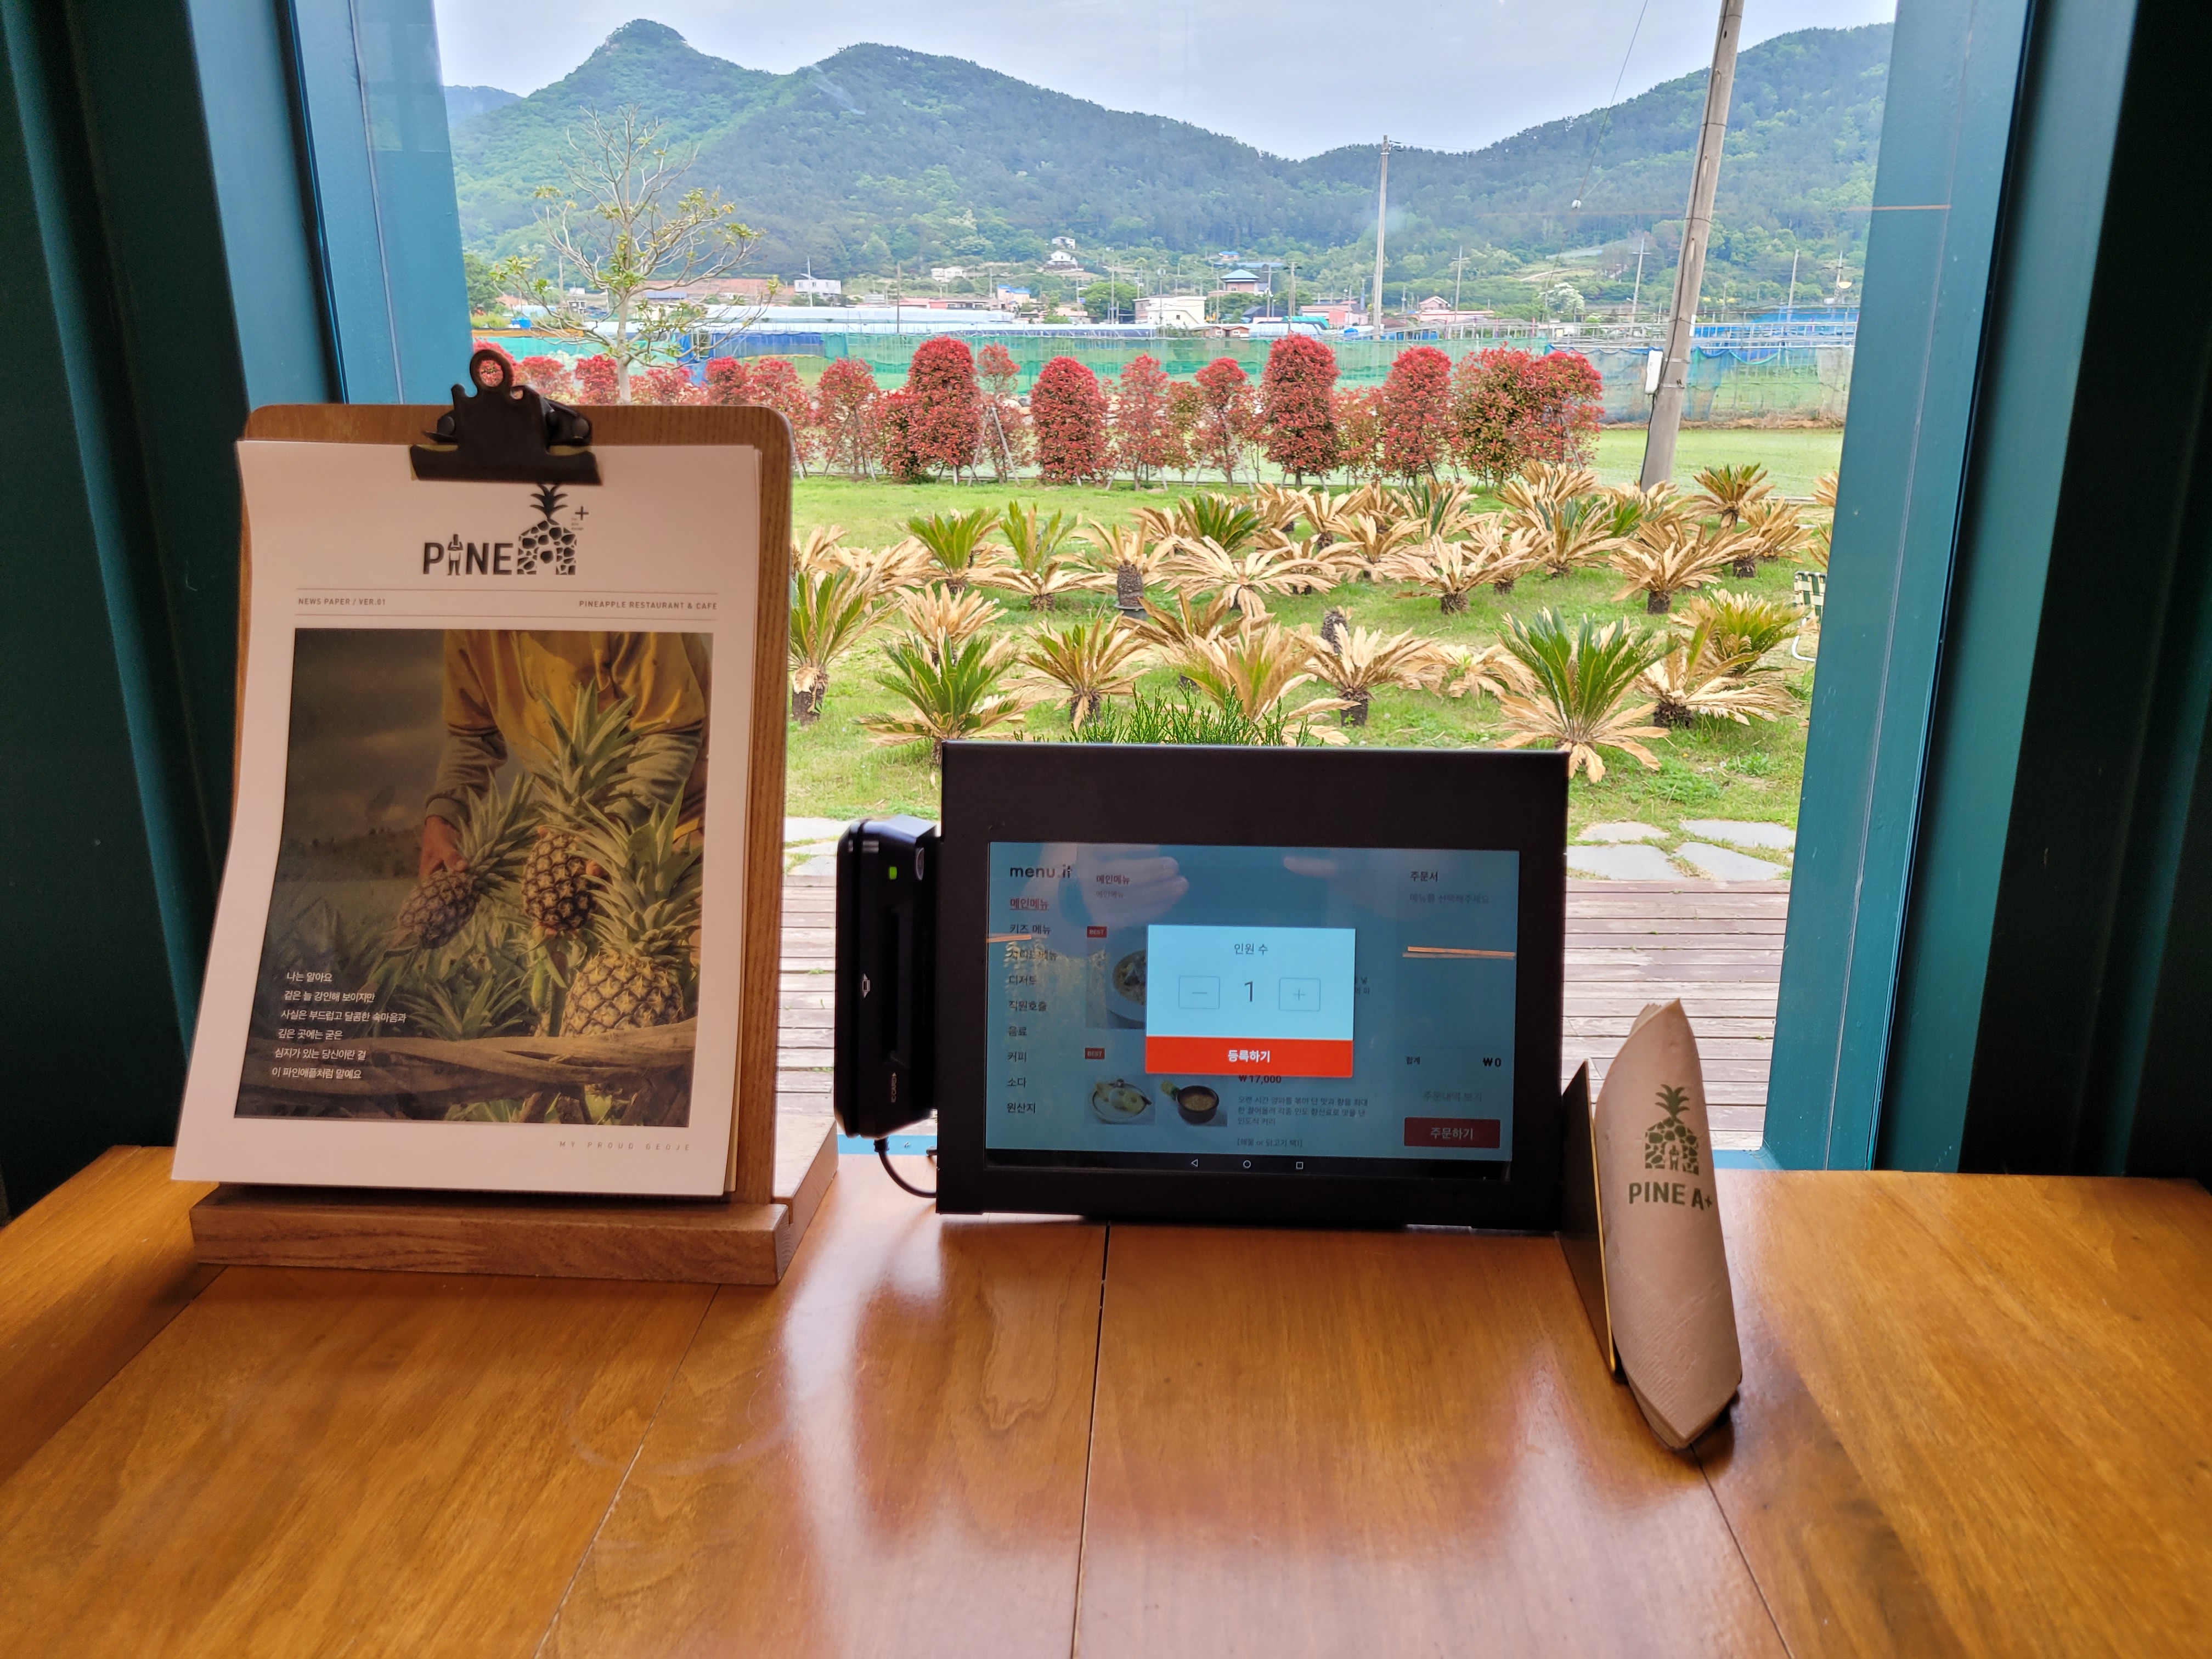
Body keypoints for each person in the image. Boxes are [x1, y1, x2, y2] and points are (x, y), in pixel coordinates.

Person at [417, 629, 709, 879]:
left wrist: (615, 824)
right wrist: (444, 816)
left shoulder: (625, 601)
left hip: (689, 819)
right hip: (584, 837)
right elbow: (473, 735)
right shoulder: (469, 625)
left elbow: (671, 732)